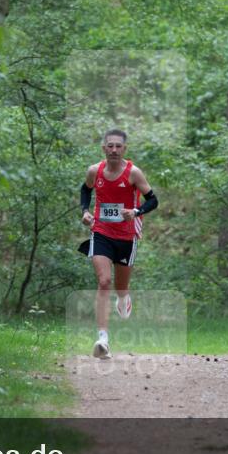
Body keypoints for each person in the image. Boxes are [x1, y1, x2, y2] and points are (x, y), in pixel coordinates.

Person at [79, 129, 159, 359]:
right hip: (101, 232)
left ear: (124, 149)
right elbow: (85, 190)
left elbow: (153, 200)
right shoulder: (95, 170)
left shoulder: (133, 173)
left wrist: (135, 211)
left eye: (118, 146)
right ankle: (103, 339)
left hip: (126, 236)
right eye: (110, 146)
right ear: (104, 148)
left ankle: (124, 298)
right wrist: (85, 212)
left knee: (120, 288)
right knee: (104, 281)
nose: (114, 150)